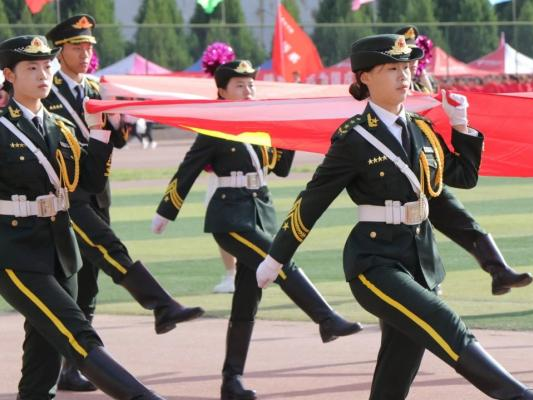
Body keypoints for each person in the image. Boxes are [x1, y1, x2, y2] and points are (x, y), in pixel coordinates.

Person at [256, 34, 533, 400]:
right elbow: (312, 201)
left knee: (397, 370)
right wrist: (276, 258)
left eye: (407, 67)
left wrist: (462, 126)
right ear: (365, 77)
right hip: (374, 263)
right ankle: (521, 396)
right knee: (444, 322)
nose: (404, 76)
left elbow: (463, 177)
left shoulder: (422, 129)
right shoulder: (353, 138)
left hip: (421, 262)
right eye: (392, 68)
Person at [151, 59, 363, 400]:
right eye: (239, 85)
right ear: (222, 92)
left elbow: (280, 168)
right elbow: (187, 169)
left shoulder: (260, 122)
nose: (248, 90)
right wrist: (166, 211)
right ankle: (325, 318)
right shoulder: (214, 127)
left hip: (259, 211)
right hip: (229, 215)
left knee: (246, 302)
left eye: (251, 84)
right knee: (279, 260)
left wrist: (288, 131)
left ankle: (231, 381)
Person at [43, 14, 205, 391]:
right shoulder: (46, 89)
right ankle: (162, 305)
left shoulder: (97, 88)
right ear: (60, 51)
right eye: (77, 47)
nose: (85, 54)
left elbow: (114, 140)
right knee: (108, 247)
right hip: (64, 194)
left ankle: (69, 368)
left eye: (89, 47)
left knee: (87, 283)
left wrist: (122, 126)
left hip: (97, 191)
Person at [0, 34, 165, 400]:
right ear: (9, 75)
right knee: (76, 333)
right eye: (32, 68)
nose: (43, 75)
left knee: (44, 355)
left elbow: (87, 184)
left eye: (47, 66)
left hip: (61, 250)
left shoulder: (60, 126)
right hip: (14, 252)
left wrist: (102, 132)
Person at [397, 25, 533, 296]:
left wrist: (459, 121)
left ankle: (499, 271)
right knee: (412, 243)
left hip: (429, 173)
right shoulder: (390, 92)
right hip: (399, 181)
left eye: (415, 58)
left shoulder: (425, 87)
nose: (412, 64)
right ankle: (428, 287)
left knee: (463, 221)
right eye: (406, 58)